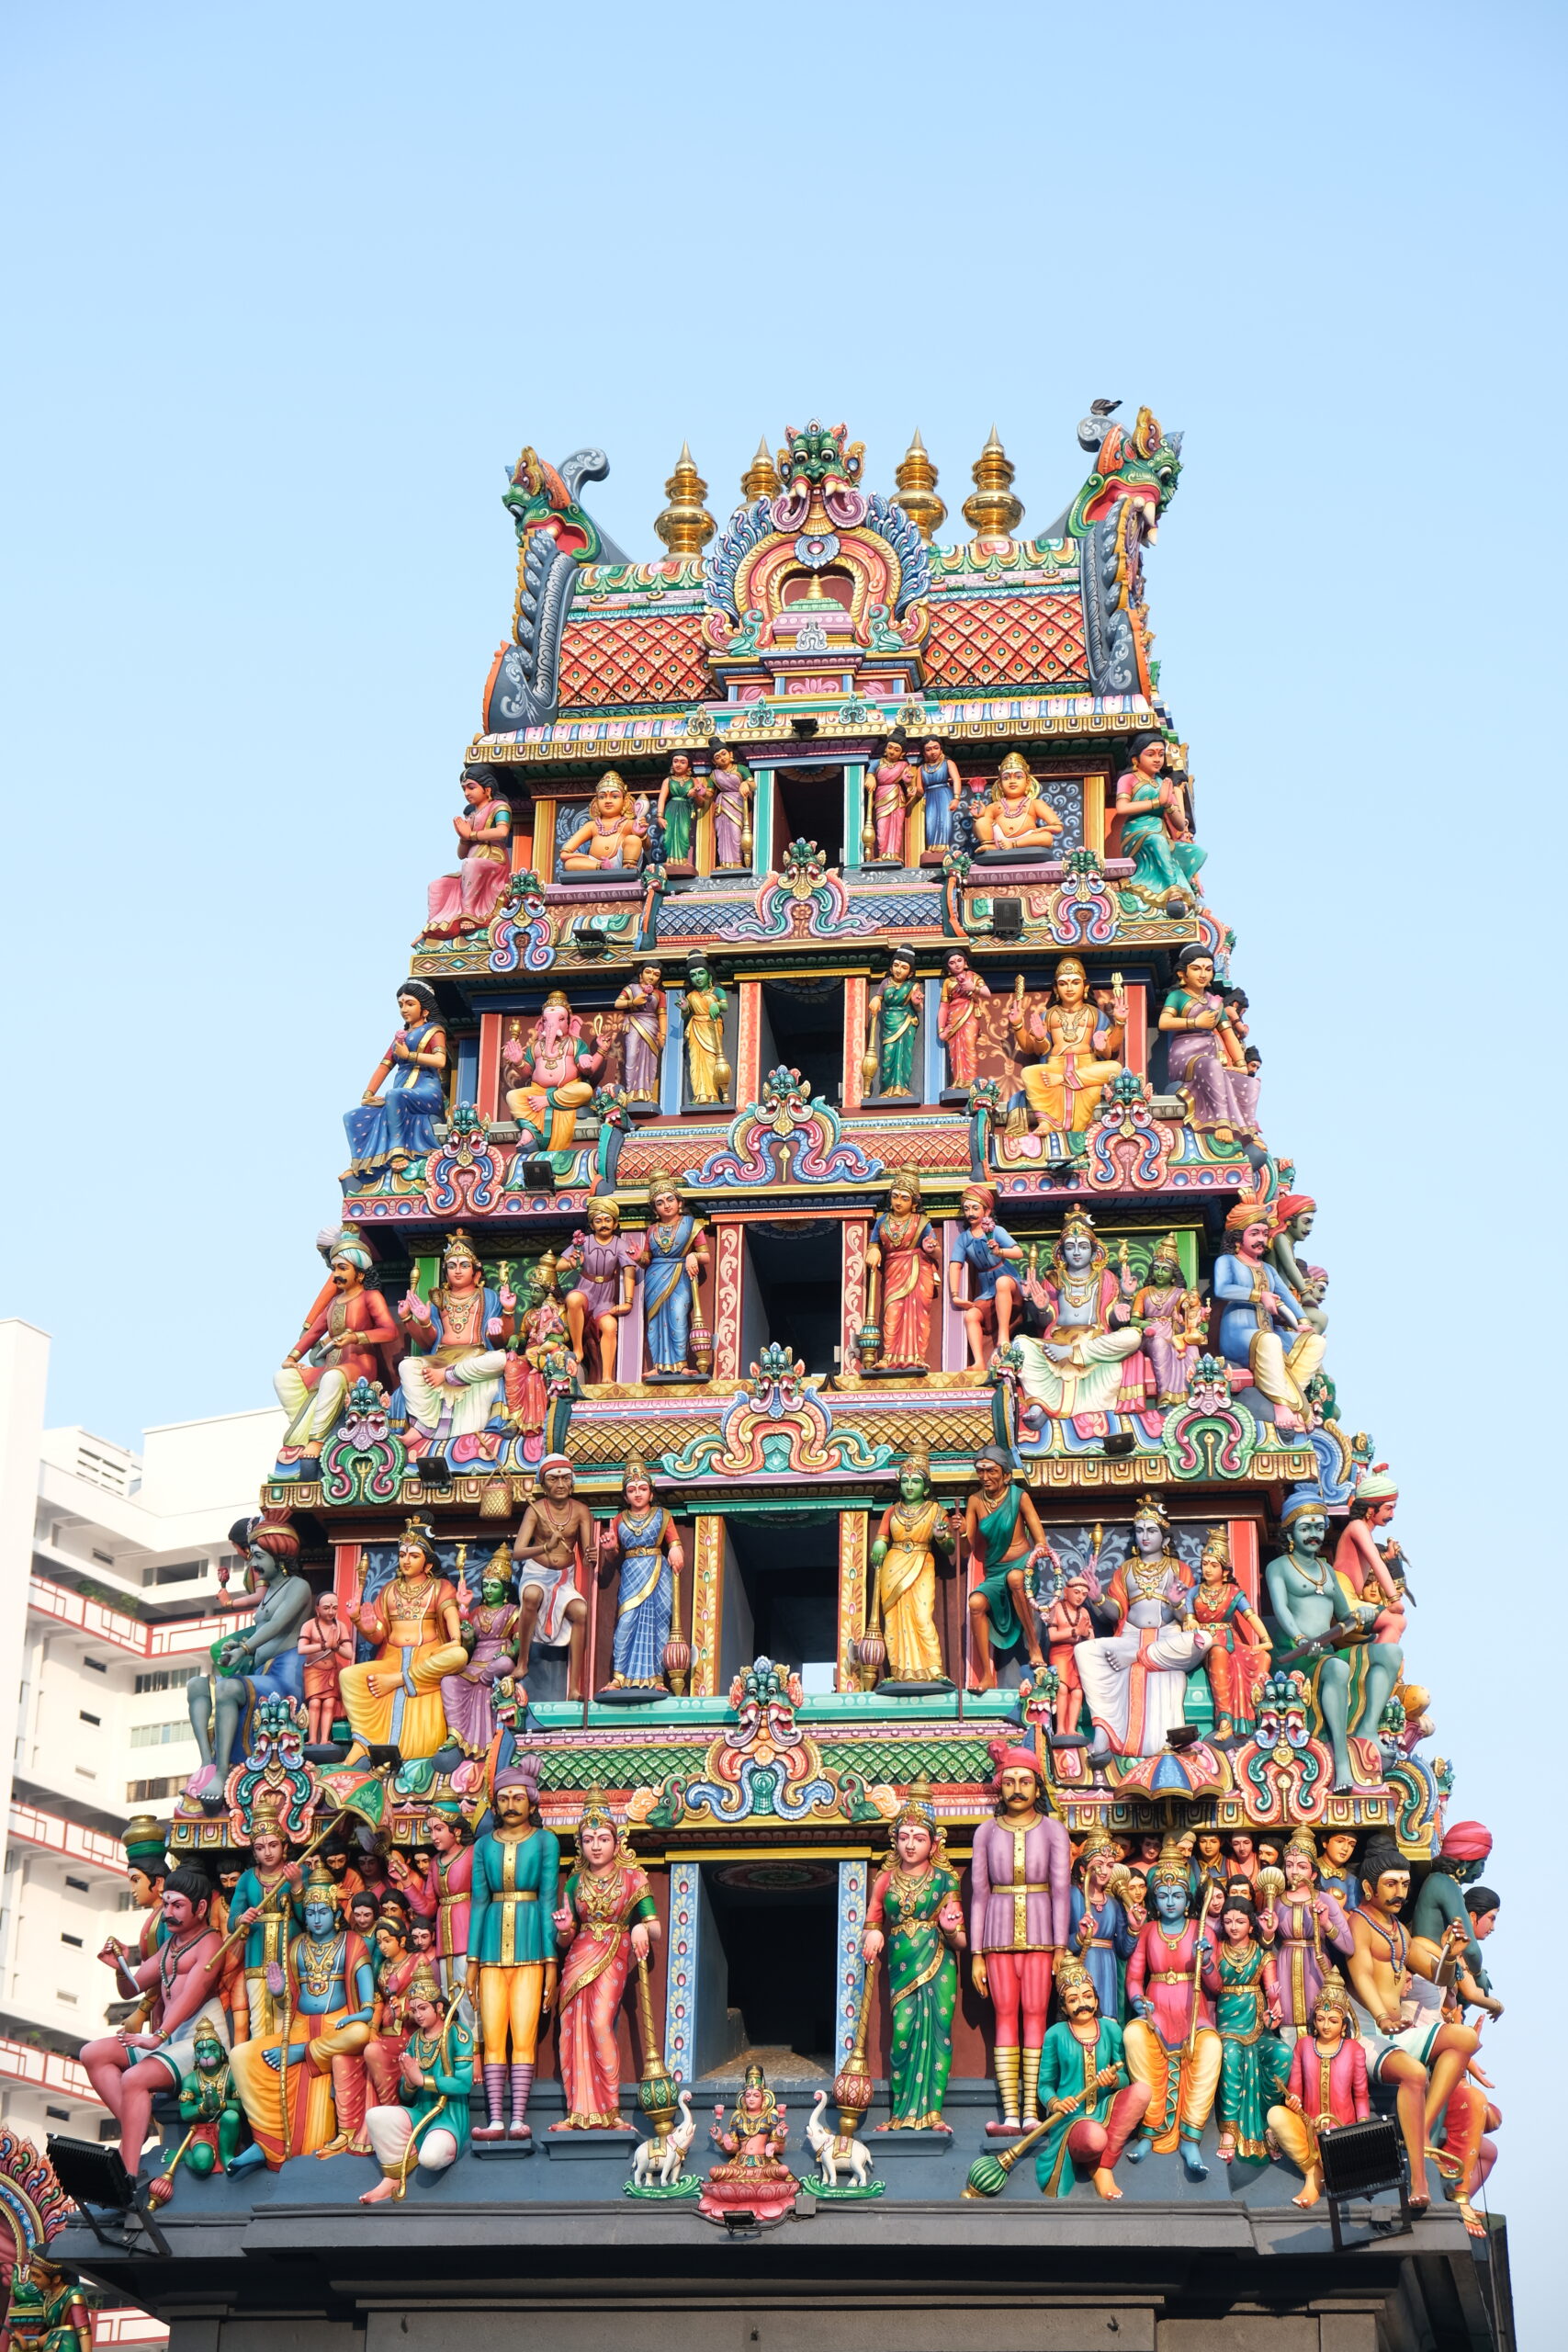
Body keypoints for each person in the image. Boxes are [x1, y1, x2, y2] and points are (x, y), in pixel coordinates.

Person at [1344, 1838, 1483, 2212]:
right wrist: (1382, 2016)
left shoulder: (1399, 1932)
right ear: (1369, 1888)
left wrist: (1451, 1956)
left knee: (1464, 2038)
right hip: (1367, 2033)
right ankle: (1419, 2181)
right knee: (1414, 2074)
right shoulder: (1359, 1923)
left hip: (1396, 2031)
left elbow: (1438, 1976)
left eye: (1405, 1884)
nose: (1400, 1893)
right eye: (1391, 1884)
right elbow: (1360, 1976)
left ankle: (1420, 2130)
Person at [228, 1862, 377, 2167]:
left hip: (337, 2029)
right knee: (241, 2055)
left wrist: (357, 2017)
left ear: (336, 1913)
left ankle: (302, 2054)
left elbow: (368, 2007)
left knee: (361, 2035)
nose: (317, 1918)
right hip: (298, 2028)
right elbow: (288, 2005)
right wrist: (279, 1990)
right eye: (310, 1913)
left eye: (323, 1911)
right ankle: (266, 2142)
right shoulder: (295, 1947)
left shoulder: (353, 1943)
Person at [82, 1866, 227, 2174]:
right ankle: (136, 2125)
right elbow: (131, 1988)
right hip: (168, 2039)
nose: (169, 1913)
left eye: (178, 1906)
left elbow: (192, 1994)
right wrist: (120, 1965)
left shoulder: (210, 1943)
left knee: (134, 2078)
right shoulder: (169, 1947)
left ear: (201, 1908)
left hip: (201, 2040)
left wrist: (158, 2036)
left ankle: (128, 2171)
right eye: (167, 1905)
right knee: (92, 2053)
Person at [969, 1743, 1073, 2132]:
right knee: (1004, 2016)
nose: (1017, 1789)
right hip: (997, 1930)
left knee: (1036, 2015)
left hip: (1042, 1933)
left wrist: (1060, 1945)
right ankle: (1010, 2112)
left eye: (1025, 1781)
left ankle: (1032, 2110)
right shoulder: (985, 1832)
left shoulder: (1053, 1830)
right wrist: (977, 1954)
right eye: (1010, 1781)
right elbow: (979, 1893)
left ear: (1037, 1787)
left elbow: (1061, 1890)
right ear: (1000, 1785)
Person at [184, 1514, 313, 1801]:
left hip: (285, 1676)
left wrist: (245, 1649)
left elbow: (278, 1625)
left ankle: (221, 1774)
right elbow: (264, 1628)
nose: (253, 1565)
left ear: (278, 1557)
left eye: (257, 1557)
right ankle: (207, 1764)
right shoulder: (269, 1590)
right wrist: (240, 1647)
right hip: (261, 1671)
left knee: (228, 1688)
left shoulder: (298, 1587)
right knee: (197, 1685)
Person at [1075, 1497, 1212, 1762]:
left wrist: (1176, 1603)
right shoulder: (1125, 1570)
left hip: (1168, 1638)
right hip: (1131, 1637)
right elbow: (1116, 1612)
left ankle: (1139, 1658)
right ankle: (1104, 1729)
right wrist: (1097, 1597)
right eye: (1139, 1531)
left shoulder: (1178, 1569)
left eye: (1151, 1531)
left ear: (1165, 1538)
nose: (1145, 1537)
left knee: (1202, 1639)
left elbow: (1188, 1617)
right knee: (1085, 1651)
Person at [468, 1758, 561, 2143]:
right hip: (491, 1948)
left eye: (517, 1797)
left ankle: (519, 2116)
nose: (510, 1804)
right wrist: (472, 1961)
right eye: (503, 1798)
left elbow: (548, 1900)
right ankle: (494, 2118)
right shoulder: (483, 1846)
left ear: (532, 1802)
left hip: (530, 1947)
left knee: (522, 2033)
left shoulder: (545, 1841)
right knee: (493, 2034)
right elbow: (477, 1902)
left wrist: (551, 1961)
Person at [550, 1801, 659, 2129]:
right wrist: (565, 1929)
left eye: (602, 1838)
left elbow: (654, 1927)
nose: (595, 1846)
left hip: (613, 1952)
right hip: (578, 1959)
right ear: (580, 1845)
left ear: (616, 1842)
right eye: (588, 1839)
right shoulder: (574, 1882)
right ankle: (578, 2112)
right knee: (570, 2032)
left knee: (599, 2025)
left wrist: (640, 1927)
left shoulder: (633, 1879)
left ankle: (610, 2110)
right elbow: (566, 1939)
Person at [863, 1785, 965, 2131]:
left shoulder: (946, 1880)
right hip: (902, 1963)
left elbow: (962, 1939)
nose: (910, 1844)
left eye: (919, 1838)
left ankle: (932, 2112)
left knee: (939, 2031)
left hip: (938, 1961)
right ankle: (899, 2113)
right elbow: (872, 1921)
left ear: (934, 1844)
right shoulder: (885, 1880)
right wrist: (873, 1933)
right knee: (903, 2033)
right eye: (904, 1836)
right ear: (895, 1840)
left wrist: (949, 1929)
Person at [1266, 1487, 1378, 1792]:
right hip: (1295, 1651)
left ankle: (1370, 1733)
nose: (1313, 1534)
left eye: (1318, 1527)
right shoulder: (1278, 1567)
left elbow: (1345, 1616)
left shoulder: (1327, 1571)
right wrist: (1301, 1637)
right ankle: (1341, 1763)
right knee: (1337, 1669)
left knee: (1387, 1655)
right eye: (1305, 1527)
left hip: (1325, 1649)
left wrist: (1363, 1615)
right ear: (1290, 1532)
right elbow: (1282, 1610)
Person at [1122, 1842, 1223, 2180]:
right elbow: (1135, 1978)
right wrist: (1139, 2002)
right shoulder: (1148, 1931)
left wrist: (1205, 1961)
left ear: (1188, 1898)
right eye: (1163, 1895)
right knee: (1134, 2035)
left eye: (1177, 1895)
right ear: (1154, 1898)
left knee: (1211, 2048)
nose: (1169, 1902)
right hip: (1157, 2011)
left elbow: (1218, 1985)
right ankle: (1150, 2130)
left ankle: (1191, 2136)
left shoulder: (1202, 1931)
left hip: (1192, 2012)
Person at [339, 1521, 468, 1764]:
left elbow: (455, 1638)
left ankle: (399, 1680)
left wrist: (458, 1628)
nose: (406, 1560)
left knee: (458, 1656)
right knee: (348, 1676)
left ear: (428, 1563)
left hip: (427, 1660)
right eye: (402, 1555)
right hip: (391, 1660)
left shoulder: (440, 1587)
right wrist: (359, 1620)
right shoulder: (389, 1590)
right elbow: (378, 1634)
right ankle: (363, 1742)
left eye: (414, 1555)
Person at [1032, 1957, 1152, 2199]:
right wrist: (1056, 2103)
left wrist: (1114, 2080)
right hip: (1073, 2119)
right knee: (1095, 2138)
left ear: (1097, 1999)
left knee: (1142, 2091)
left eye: (1087, 1996)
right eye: (1073, 2000)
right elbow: (1044, 2086)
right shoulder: (1055, 2034)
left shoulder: (1110, 2030)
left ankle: (1103, 2166)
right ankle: (1095, 2162)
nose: (1082, 2004)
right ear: (1064, 2007)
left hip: (1106, 2109)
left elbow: (1125, 2078)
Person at [1014, 1211, 1147, 1425]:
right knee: (1020, 1344)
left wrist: (1127, 1297)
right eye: (1070, 1247)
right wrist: (1037, 1307)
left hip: (1092, 1345)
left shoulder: (1106, 1278)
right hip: (1055, 1344)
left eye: (1083, 1247)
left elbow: (1113, 1319)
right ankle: (1039, 1405)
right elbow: (1045, 1322)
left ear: (1095, 1253)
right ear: (1061, 1253)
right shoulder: (1053, 1279)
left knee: (1133, 1335)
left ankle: (1075, 1354)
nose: (1077, 1252)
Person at [359, 1966, 476, 2203]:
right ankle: (392, 2176)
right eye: (413, 2010)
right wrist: (410, 2083)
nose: (418, 2015)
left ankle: (415, 2154)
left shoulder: (458, 2034)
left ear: (439, 2007)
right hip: (421, 2113)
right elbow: (406, 2093)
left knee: (430, 2159)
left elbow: (464, 2084)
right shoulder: (415, 2040)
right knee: (375, 2116)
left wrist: (422, 2079)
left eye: (423, 2008)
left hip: (448, 2116)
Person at [396, 1228, 517, 1456]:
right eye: (452, 1266)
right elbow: (427, 1343)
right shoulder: (438, 1300)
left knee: (500, 1359)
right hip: (440, 1357)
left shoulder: (488, 1297)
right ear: (445, 1272)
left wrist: (508, 1313)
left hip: (476, 1357)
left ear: (476, 1273)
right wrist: (414, 1320)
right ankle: (424, 1425)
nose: (458, 1270)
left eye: (464, 1265)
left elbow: (502, 1340)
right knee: (406, 1366)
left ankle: (450, 1375)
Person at [275, 1238, 398, 1461]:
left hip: (359, 1366)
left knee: (332, 1378)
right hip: (331, 1365)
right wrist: (291, 1358)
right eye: (334, 1269)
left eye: (342, 1268)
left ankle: (317, 1440)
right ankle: (301, 1430)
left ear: (359, 1274)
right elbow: (314, 1332)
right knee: (284, 1378)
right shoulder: (334, 1302)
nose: (336, 1275)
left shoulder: (370, 1297)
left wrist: (356, 1337)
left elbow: (390, 1331)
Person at [1213, 1201, 1326, 1431]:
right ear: (1237, 1238)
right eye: (1254, 1233)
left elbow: (1288, 1298)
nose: (1261, 1240)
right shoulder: (1227, 1261)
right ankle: (1282, 1406)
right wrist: (1258, 1296)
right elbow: (1222, 1289)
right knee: (1270, 1341)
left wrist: (1302, 1323)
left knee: (1316, 1342)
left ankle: (1290, 1398)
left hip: (1268, 1332)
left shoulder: (1268, 1269)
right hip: (1237, 1333)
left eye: (1264, 1234)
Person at [1265, 1972, 1370, 2209]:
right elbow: (1295, 2090)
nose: (1325, 2025)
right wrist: (1292, 2101)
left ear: (1344, 2025)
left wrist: (1363, 2128)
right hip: (1308, 2130)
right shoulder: (1303, 2046)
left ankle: (1330, 2173)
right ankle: (1314, 2175)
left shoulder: (1354, 2050)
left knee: (1338, 2153)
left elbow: (1361, 2095)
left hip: (1341, 2134)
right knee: (1276, 2115)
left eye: (1333, 2021)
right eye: (1321, 2019)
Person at [1203, 1894, 1288, 2162]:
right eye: (1228, 1921)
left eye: (1240, 1921)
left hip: (1257, 2026)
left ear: (1251, 1925)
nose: (1234, 1926)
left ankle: (1270, 2123)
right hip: (1228, 2023)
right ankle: (1229, 2129)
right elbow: (1213, 1983)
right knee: (1230, 2053)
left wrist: (1274, 2010)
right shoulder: (1217, 1948)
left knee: (1283, 2054)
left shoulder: (1263, 1955)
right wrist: (1205, 1962)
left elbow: (1273, 1992)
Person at [1332, 1465, 1407, 1743]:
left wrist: (1390, 1560)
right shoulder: (1356, 1527)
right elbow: (1374, 1563)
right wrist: (1394, 1599)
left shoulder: (1364, 1530)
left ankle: (1378, 1668)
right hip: (1342, 1599)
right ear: (1370, 1509)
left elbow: (1376, 1563)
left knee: (1395, 1623)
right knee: (1396, 1620)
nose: (1392, 1514)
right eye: (1388, 1508)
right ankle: (1375, 1668)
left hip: (1353, 1597)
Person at [962, 1451, 1049, 1690]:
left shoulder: (1019, 1496)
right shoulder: (975, 1502)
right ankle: (987, 1676)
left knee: (1015, 1578)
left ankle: (1034, 1645)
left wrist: (1041, 1548)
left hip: (1023, 1566)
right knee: (976, 1603)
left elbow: (1039, 1537)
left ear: (1006, 1474)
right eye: (981, 1471)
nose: (985, 1476)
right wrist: (958, 1532)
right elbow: (965, 1547)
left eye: (991, 1471)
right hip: (995, 1570)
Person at [1256, 1828, 1353, 2039]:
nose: (1294, 1872)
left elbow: (1349, 1946)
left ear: (1314, 1873)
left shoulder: (1325, 1901)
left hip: (1317, 1967)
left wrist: (1327, 1924)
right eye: (1289, 1865)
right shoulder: (1277, 1900)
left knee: (1320, 2024)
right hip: (1285, 1964)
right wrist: (1268, 1934)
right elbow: (1267, 1946)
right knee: (1288, 2027)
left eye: (1302, 1866)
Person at [1009, 959, 1125, 1136]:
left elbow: (1110, 1051)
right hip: (1056, 1063)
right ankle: (1046, 1122)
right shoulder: (1049, 1014)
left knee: (1115, 1068)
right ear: (1056, 989)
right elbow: (1034, 1049)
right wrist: (1020, 1026)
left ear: (1085, 987)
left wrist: (1119, 1024)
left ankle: (1063, 1079)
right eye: (1063, 984)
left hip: (1086, 1065)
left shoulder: (1094, 1014)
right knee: (1029, 1073)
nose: (1069, 988)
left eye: (1075, 982)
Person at [344, 982, 448, 1179]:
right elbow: (384, 1066)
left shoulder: (435, 1031)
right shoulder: (401, 1037)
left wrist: (409, 1055)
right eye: (401, 1005)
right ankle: (362, 1162)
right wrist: (368, 1094)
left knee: (394, 1095)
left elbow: (440, 1060)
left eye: (409, 1004)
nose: (404, 1009)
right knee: (352, 1116)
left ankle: (397, 1150)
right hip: (401, 1094)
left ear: (424, 1009)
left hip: (426, 1091)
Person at [867, 1453, 953, 1687]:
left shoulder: (935, 1510)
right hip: (894, 1565)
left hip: (922, 1560)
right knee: (894, 1620)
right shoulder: (891, 1511)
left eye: (915, 1481)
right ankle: (898, 1671)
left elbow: (950, 1547)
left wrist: (940, 1537)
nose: (909, 1486)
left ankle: (934, 1669)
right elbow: (882, 1538)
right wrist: (879, 1543)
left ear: (925, 1488)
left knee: (922, 1617)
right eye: (905, 1481)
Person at [596, 1459, 684, 1690]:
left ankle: (656, 1677)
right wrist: (609, 1549)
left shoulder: (662, 1515)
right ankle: (619, 1677)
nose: (637, 1494)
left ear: (651, 1493)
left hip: (657, 1569)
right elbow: (614, 1554)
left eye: (643, 1489)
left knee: (659, 1621)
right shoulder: (618, 1520)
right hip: (632, 1570)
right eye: (632, 1490)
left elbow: (673, 1541)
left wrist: (676, 1548)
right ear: (625, 1497)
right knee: (626, 1621)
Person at [512, 1454, 592, 1701]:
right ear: (544, 1484)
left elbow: (588, 1555)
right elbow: (517, 1552)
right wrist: (545, 1547)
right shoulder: (535, 1510)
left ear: (572, 1483)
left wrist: (597, 1552)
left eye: (565, 1478)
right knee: (532, 1595)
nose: (560, 1484)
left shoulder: (580, 1511)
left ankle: (574, 1688)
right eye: (553, 1479)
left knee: (581, 1611)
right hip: (537, 1571)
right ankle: (523, 1661)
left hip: (563, 1578)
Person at [1158, 946, 1258, 1138]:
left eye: (1208, 969)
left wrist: (1241, 1064)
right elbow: (1164, 1022)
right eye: (1196, 969)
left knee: (1248, 1083)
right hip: (1185, 1055)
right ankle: (1220, 1123)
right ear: (1182, 973)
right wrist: (1195, 1022)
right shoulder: (1178, 996)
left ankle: (1249, 1132)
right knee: (1211, 1065)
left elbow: (1227, 1033)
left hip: (1209, 1056)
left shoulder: (1214, 1001)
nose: (1203, 974)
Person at [225, 1797, 303, 2043]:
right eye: (260, 1848)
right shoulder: (248, 1878)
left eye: (272, 1845)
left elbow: (307, 1919)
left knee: (286, 2017)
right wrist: (241, 1920)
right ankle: (260, 2072)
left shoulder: (297, 1872)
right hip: (256, 1958)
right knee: (258, 2020)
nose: (267, 1852)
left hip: (289, 1956)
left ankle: (284, 2074)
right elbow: (230, 1923)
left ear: (284, 1846)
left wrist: (298, 1886)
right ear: (254, 1852)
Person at [1410, 1823, 1503, 2018]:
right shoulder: (1444, 1883)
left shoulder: (1445, 1883)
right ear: (1466, 1860)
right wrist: (1479, 1974)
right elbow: (1470, 1947)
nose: (1483, 1869)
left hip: (1434, 1973)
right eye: (1482, 1861)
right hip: (1427, 1975)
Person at [437, 1544, 519, 1760]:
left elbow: (520, 1643)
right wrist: (467, 1635)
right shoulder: (475, 1612)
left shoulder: (513, 1612)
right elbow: (470, 1647)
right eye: (485, 1585)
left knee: (504, 1666)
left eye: (494, 1586)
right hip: (475, 1663)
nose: (489, 1590)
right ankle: (455, 1734)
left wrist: (510, 1653)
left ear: (506, 1590)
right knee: (448, 1681)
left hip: (497, 1661)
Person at [1109, 730, 1204, 910]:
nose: (1157, 759)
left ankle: (1181, 885)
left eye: (1161, 755)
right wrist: (1156, 803)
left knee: (1196, 852)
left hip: (1160, 833)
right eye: (1150, 754)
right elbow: (1122, 808)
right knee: (1157, 841)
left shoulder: (1163, 783)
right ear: (1136, 759)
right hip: (1137, 833)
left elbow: (1178, 823)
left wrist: (1168, 804)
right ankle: (1172, 889)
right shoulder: (1129, 779)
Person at [1190, 1529, 1271, 1739]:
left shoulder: (1233, 1592)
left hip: (1230, 1641)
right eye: (1205, 1563)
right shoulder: (1194, 1591)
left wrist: (1265, 1640)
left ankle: (1257, 1718)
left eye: (1213, 1565)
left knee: (1263, 1657)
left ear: (1225, 1571)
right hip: (1204, 1643)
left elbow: (1250, 1616)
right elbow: (1188, 1617)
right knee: (1218, 1653)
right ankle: (1225, 1720)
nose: (1207, 1569)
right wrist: (1189, 1620)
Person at [502, 990, 604, 1153]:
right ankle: (529, 1131)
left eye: (560, 1019)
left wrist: (586, 1063)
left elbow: (586, 1070)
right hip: (537, 1090)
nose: (552, 1025)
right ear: (541, 1025)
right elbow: (528, 1072)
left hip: (566, 1089)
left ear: (571, 1024)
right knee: (512, 1096)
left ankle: (548, 1101)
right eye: (546, 1021)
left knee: (584, 1090)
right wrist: (518, 1061)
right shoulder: (535, 1046)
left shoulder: (575, 1043)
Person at [390, 1804, 474, 1996]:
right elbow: (428, 1908)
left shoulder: (471, 1854)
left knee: (469, 1995)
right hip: (444, 1940)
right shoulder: (435, 1863)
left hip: (468, 1932)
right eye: (431, 1831)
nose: (434, 1837)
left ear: (457, 1830)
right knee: (446, 1993)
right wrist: (406, 1881)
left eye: (439, 1829)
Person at [423, 767, 513, 938]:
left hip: (493, 861)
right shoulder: (471, 814)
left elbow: (502, 832)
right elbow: (462, 854)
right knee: (437, 884)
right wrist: (464, 838)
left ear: (487, 789)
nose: (466, 793)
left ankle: (469, 913)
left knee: (470, 865)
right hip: (471, 865)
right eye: (464, 788)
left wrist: (471, 835)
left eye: (471, 787)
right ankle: (436, 924)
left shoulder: (499, 807)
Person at [559, 1199, 642, 1385]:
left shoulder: (619, 1245)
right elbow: (559, 1265)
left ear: (615, 1223)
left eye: (607, 1220)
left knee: (610, 1326)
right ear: (591, 1225)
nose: (603, 1224)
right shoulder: (584, 1242)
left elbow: (629, 1269)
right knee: (573, 1299)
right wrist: (574, 1262)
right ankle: (578, 1349)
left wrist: (628, 1301)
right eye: (598, 1221)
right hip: (585, 1288)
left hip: (605, 1298)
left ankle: (606, 1375)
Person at [1117, 1234, 1204, 1407]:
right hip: (1151, 1333)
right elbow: (1134, 1319)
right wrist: (1143, 1324)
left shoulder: (1181, 1293)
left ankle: (1194, 1394)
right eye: (1156, 1268)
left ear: (1173, 1274)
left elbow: (1191, 1316)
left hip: (1175, 1332)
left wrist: (1194, 1318)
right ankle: (1165, 1395)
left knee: (1191, 1348)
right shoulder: (1144, 1292)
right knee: (1159, 1344)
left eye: (1165, 1269)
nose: (1159, 1272)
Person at [866, 1170, 940, 1368]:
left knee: (918, 1313)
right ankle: (888, 1357)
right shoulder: (883, 1221)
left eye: (904, 1198)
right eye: (895, 1196)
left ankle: (916, 1357)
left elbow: (937, 1250)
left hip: (918, 1269)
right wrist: (873, 1250)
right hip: (894, 1269)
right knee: (892, 1311)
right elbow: (874, 1243)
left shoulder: (922, 1223)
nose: (898, 1202)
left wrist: (931, 1248)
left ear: (914, 1203)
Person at [949, 1185, 1023, 1366]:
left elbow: (1018, 1252)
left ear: (987, 1210)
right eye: (966, 1209)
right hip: (987, 1288)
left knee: (1002, 1283)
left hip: (1007, 1279)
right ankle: (979, 1362)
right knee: (971, 1316)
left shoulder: (996, 1231)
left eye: (975, 1208)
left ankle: (1004, 1337)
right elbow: (955, 1265)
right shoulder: (964, 1238)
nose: (970, 1213)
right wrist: (955, 1296)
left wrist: (1000, 1252)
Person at [1068, 1828, 1136, 2022]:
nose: (1105, 1871)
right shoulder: (1072, 1896)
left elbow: (1124, 1950)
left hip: (1108, 1965)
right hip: (1082, 1964)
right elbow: (1059, 1943)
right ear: (1083, 1869)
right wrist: (1079, 1937)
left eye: (1110, 1865)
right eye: (1099, 1864)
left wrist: (1134, 1928)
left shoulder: (1114, 1904)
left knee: (1106, 2019)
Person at [642, 1178, 708, 1375]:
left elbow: (706, 1255)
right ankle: (658, 1367)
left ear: (680, 1203)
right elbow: (646, 1257)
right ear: (655, 1209)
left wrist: (692, 1255)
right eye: (660, 1202)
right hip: (655, 1276)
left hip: (680, 1276)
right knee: (654, 1323)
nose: (666, 1205)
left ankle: (681, 1365)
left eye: (670, 1199)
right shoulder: (652, 1230)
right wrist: (637, 1256)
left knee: (677, 1316)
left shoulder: (691, 1225)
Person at [974, 751, 1064, 854]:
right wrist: (977, 818)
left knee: (1046, 837)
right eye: (1006, 778)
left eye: (1018, 777)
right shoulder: (993, 806)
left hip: (1025, 840)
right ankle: (990, 846)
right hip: (998, 841)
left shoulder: (1035, 803)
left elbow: (1058, 827)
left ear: (1028, 782)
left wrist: (1042, 829)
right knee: (982, 820)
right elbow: (978, 833)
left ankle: (1013, 845)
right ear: (1000, 784)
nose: (1012, 781)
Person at [559, 770, 645, 871]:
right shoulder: (591, 825)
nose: (608, 801)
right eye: (602, 797)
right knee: (570, 864)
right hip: (596, 864)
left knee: (633, 839)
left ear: (625, 801)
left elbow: (647, 846)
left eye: (615, 796)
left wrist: (642, 834)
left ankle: (628, 867)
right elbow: (564, 854)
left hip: (620, 862)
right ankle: (602, 868)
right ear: (596, 801)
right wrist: (584, 858)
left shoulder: (629, 823)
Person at [299, 1591, 355, 1745]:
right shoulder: (309, 1625)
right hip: (313, 1670)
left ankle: (324, 1739)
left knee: (329, 1704)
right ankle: (312, 1739)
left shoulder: (340, 1626)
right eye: (326, 1608)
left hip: (330, 1671)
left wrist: (335, 1647)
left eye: (334, 1608)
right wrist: (324, 1645)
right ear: (317, 1609)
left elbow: (349, 1654)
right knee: (315, 1703)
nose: (331, 1612)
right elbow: (301, 1649)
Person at [1043, 1572, 1095, 1736]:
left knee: (1078, 1691)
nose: (1080, 1597)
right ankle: (1060, 1729)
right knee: (1063, 1689)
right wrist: (1075, 1631)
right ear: (1066, 1592)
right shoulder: (1056, 1608)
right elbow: (1052, 1636)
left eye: (1084, 1594)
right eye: (1076, 1592)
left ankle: (1072, 1729)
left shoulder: (1084, 1613)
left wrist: (1085, 1633)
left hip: (1077, 1654)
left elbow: (1091, 1638)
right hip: (1059, 1652)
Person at [865, 951, 921, 1096]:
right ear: (890, 969)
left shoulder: (913, 986)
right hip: (889, 1021)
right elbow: (878, 997)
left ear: (910, 973)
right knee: (888, 1054)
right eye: (896, 966)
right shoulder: (886, 983)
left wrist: (916, 1002)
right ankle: (887, 1089)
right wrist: (876, 999)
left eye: (904, 967)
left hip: (905, 1021)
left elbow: (919, 1007)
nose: (898, 970)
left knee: (904, 1056)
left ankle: (901, 1087)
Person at [936, 950, 991, 1091]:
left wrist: (973, 988)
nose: (957, 965)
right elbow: (943, 1006)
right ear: (948, 967)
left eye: (959, 960)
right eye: (952, 963)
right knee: (955, 1050)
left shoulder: (973, 976)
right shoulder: (948, 982)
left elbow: (987, 993)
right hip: (953, 1018)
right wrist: (941, 1030)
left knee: (968, 1045)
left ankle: (971, 1080)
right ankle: (958, 1080)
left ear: (965, 962)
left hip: (969, 1015)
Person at [615, 965, 667, 1102]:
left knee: (649, 1059)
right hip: (634, 1022)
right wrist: (633, 1002)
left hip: (651, 1025)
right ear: (640, 975)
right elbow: (618, 1003)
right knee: (632, 1055)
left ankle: (646, 1093)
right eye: (648, 972)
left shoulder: (660, 994)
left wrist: (663, 1034)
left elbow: (662, 1015)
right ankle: (631, 1091)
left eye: (656, 974)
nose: (651, 977)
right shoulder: (631, 988)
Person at [681, 959, 729, 1102]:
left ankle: (713, 1095)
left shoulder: (717, 991)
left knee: (711, 1060)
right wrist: (684, 1008)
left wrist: (717, 1005)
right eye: (693, 975)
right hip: (696, 1027)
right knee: (695, 1062)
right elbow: (685, 1015)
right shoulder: (691, 996)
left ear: (709, 975)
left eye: (701, 973)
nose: (698, 978)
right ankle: (700, 1095)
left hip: (712, 1026)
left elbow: (725, 1007)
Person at [866, 738, 918, 863]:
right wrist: (870, 778)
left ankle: (894, 854)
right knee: (882, 827)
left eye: (896, 750)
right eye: (890, 747)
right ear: (885, 748)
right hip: (881, 796)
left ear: (902, 754)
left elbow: (910, 785)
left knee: (897, 827)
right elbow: (870, 774)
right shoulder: (878, 763)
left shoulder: (903, 765)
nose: (892, 752)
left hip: (897, 796)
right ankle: (883, 854)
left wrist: (908, 782)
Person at [705, 745, 753, 868]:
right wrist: (699, 792)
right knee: (723, 835)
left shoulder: (740, 769)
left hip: (738, 803)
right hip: (722, 806)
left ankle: (737, 863)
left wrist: (745, 783)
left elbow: (753, 784)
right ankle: (724, 864)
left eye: (724, 754)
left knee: (736, 833)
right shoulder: (714, 775)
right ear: (714, 762)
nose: (722, 758)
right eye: (717, 757)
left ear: (730, 754)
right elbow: (709, 793)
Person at [917, 738, 962, 854]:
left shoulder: (948, 763)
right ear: (924, 752)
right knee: (930, 822)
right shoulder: (921, 769)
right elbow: (920, 789)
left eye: (936, 748)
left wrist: (956, 798)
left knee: (944, 821)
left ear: (941, 749)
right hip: (929, 797)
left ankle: (943, 848)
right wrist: (912, 789)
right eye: (928, 749)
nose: (933, 752)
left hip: (944, 794)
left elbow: (956, 780)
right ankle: (932, 848)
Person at [655, 754, 697, 867]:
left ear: (689, 766)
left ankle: (683, 861)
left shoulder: (693, 781)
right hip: (671, 808)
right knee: (669, 834)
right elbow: (662, 799)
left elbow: (702, 800)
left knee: (683, 834)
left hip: (685, 809)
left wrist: (695, 795)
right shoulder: (668, 781)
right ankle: (670, 860)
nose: (678, 764)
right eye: (676, 761)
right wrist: (660, 817)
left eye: (683, 762)